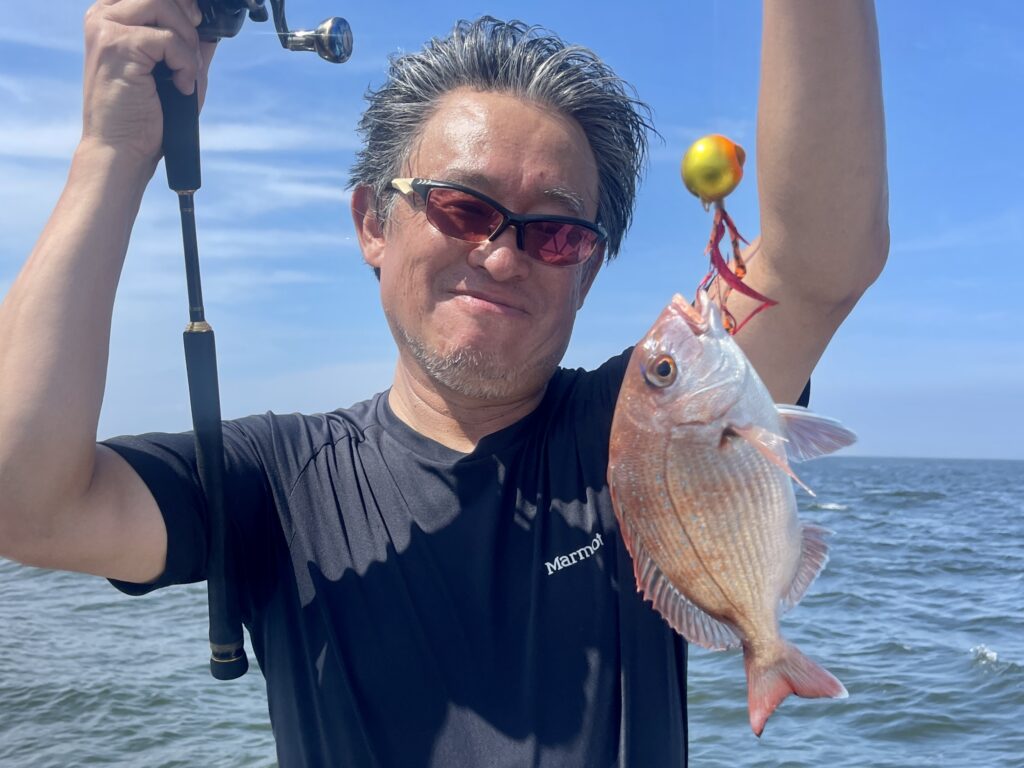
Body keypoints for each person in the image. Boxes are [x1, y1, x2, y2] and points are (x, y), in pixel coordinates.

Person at [0, 1, 888, 766]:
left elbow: (817, 265)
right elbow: (24, 503)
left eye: (556, 234)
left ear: (587, 273)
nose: (500, 255)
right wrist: (110, 152)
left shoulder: (640, 426)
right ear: (372, 223)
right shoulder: (274, 483)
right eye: (461, 207)